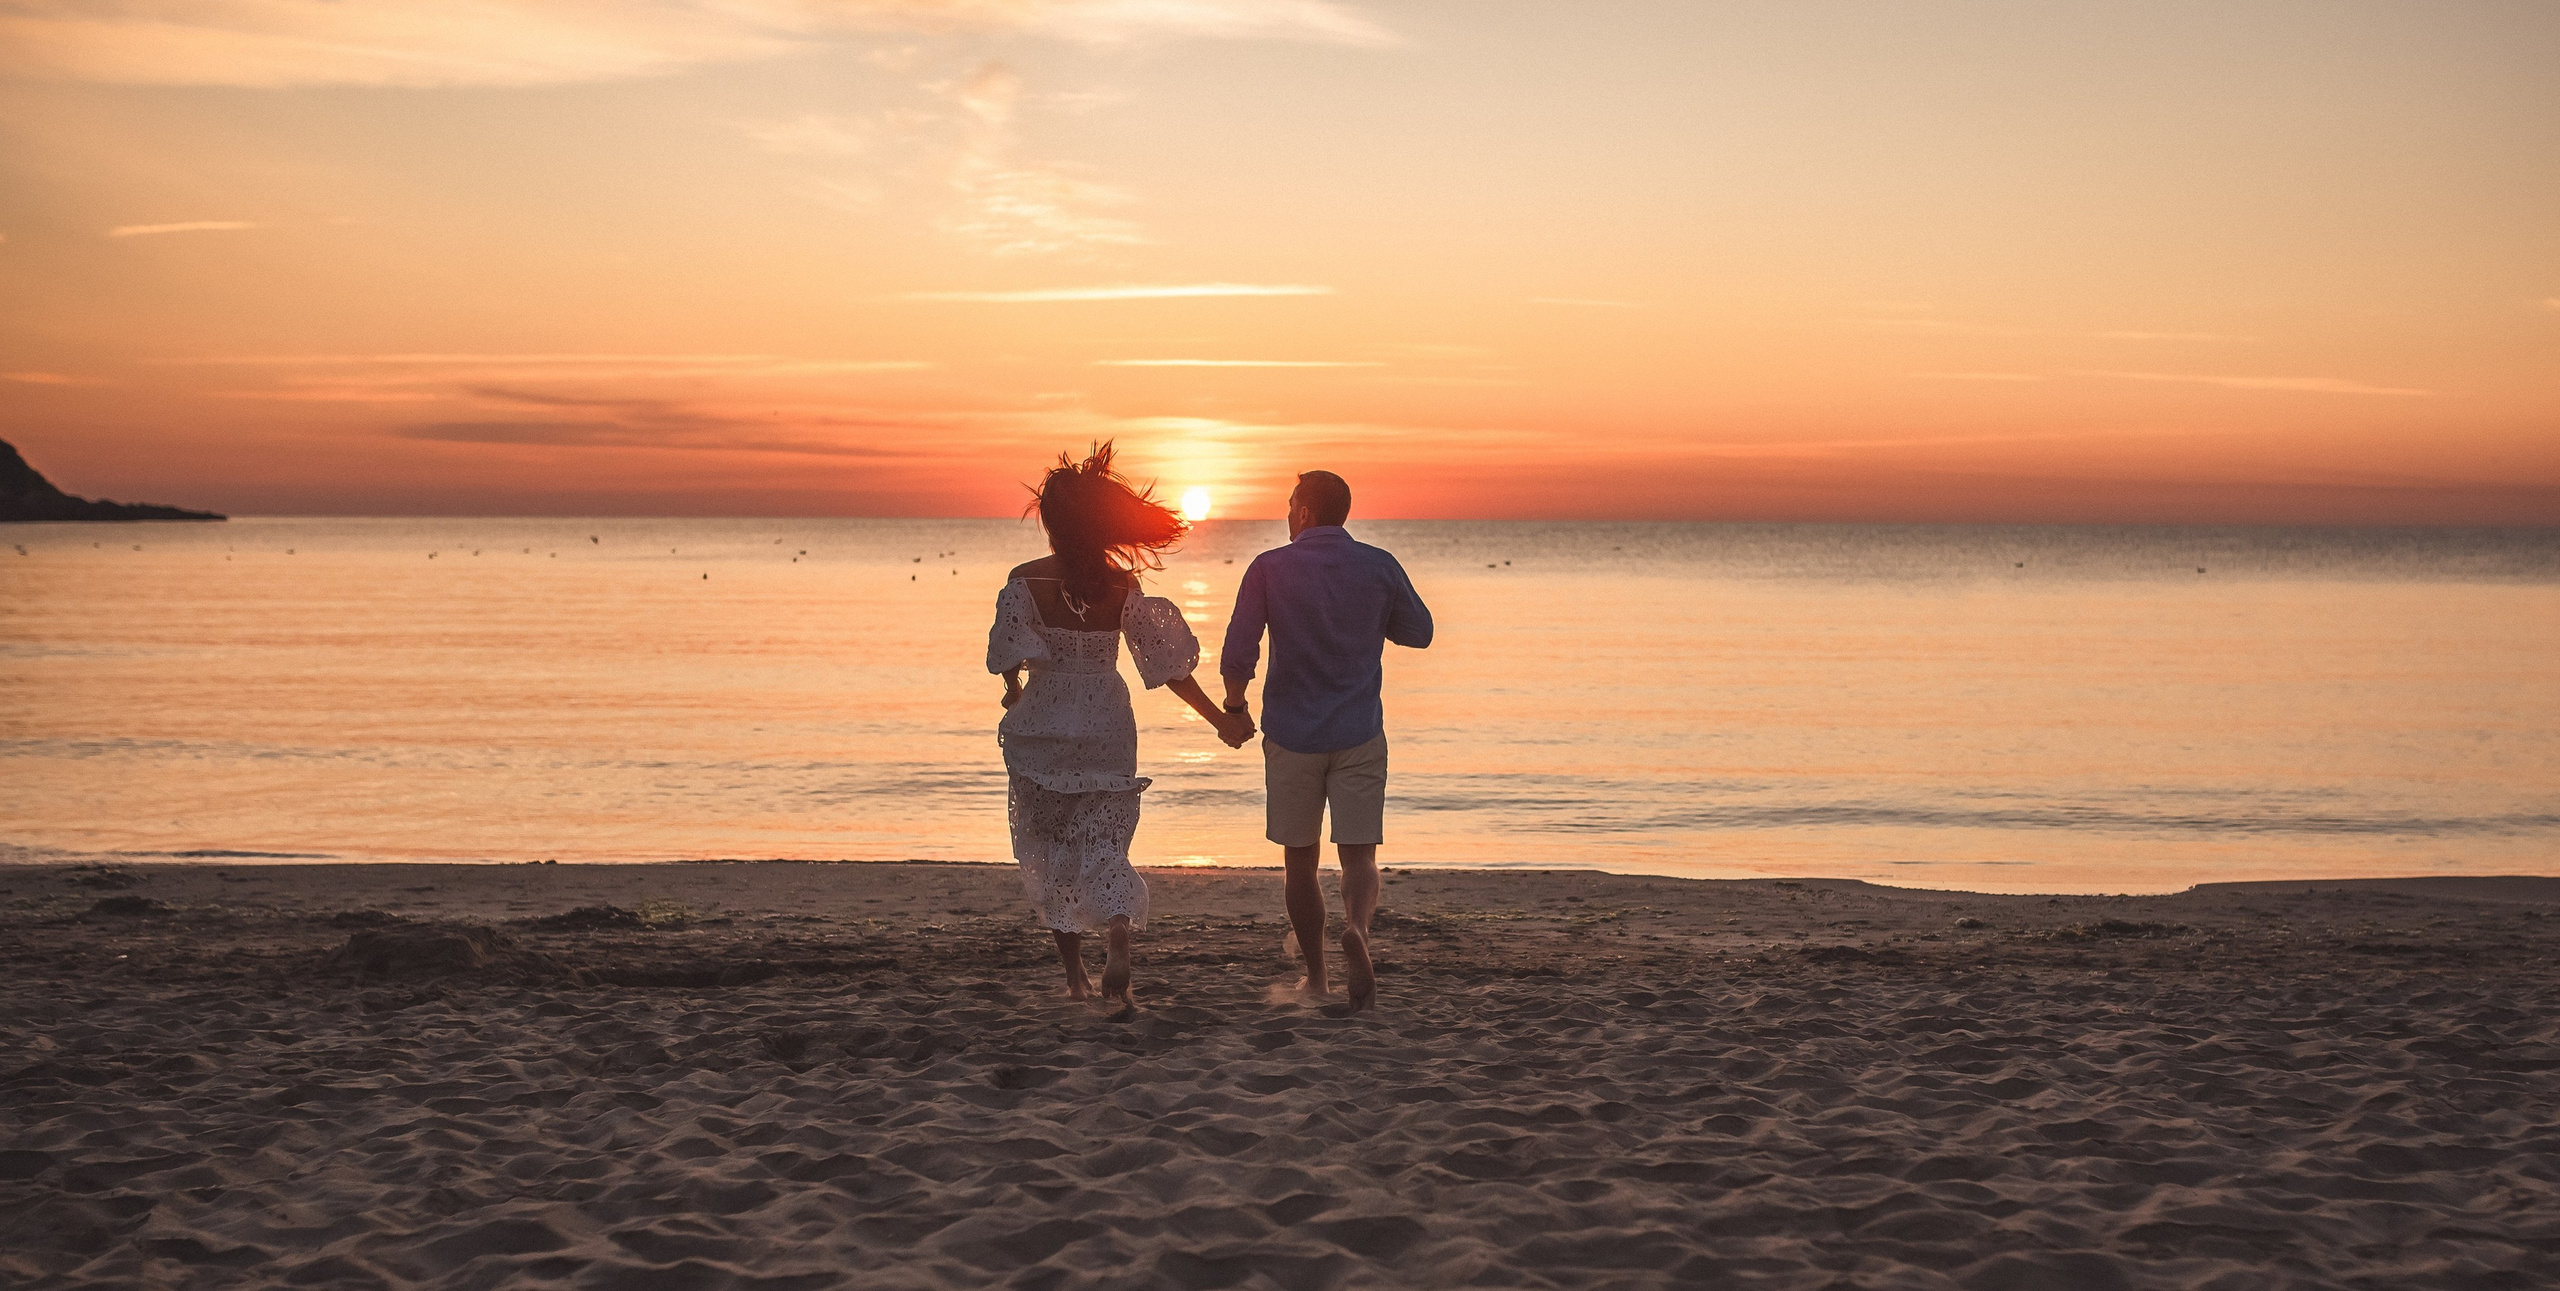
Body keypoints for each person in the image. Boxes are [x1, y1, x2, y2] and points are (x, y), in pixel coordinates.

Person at [988, 444, 1254, 1014]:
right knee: (1105, 842)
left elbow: (1010, 655)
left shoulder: (1025, 582)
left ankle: (1077, 979)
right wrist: (1219, 721)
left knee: (1054, 848)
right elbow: (1169, 668)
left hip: (1045, 724)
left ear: (1052, 524)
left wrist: (1013, 690)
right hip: (1107, 721)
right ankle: (1117, 934)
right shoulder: (1121, 587)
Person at [1220, 470, 1433, 1012]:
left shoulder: (1268, 567)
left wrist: (1235, 707)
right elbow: (1420, 631)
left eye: (1291, 505)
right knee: (1359, 856)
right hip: (1359, 729)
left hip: (1293, 734)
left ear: (1307, 512)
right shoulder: (1378, 565)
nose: (1287, 514)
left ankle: (1316, 977)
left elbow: (1240, 649)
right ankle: (1357, 929)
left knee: (1301, 862)